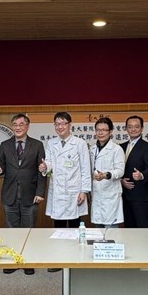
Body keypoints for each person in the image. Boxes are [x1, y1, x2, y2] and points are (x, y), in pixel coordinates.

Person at [0, 114, 47, 275]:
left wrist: (40, 192)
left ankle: (27, 262)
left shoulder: (37, 145)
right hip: (9, 194)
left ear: (27, 126)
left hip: (30, 195)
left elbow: (42, 171)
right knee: (11, 230)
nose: (17, 127)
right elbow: (1, 168)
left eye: (21, 124)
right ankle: (12, 262)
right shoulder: (4, 145)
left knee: (29, 230)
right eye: (15, 124)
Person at [39, 112, 91, 273]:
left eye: (63, 123)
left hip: (75, 191)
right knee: (59, 226)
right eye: (57, 124)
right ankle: (58, 259)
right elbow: (49, 162)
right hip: (58, 190)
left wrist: (84, 191)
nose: (60, 127)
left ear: (70, 125)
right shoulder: (51, 143)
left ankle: (76, 260)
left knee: (75, 225)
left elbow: (85, 168)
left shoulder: (79, 143)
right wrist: (45, 167)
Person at [119, 115, 148, 228]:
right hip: (124, 195)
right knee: (128, 229)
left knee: (142, 228)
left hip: (140, 195)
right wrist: (121, 180)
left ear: (142, 128)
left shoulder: (147, 147)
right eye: (130, 127)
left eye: (136, 127)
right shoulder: (121, 147)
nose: (133, 129)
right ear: (126, 129)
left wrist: (141, 175)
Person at [90, 117, 125, 228]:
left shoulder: (116, 149)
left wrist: (106, 175)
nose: (100, 133)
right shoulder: (92, 149)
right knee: (98, 230)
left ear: (110, 132)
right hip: (96, 193)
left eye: (104, 130)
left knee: (111, 231)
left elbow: (120, 170)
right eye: (98, 130)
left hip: (111, 194)